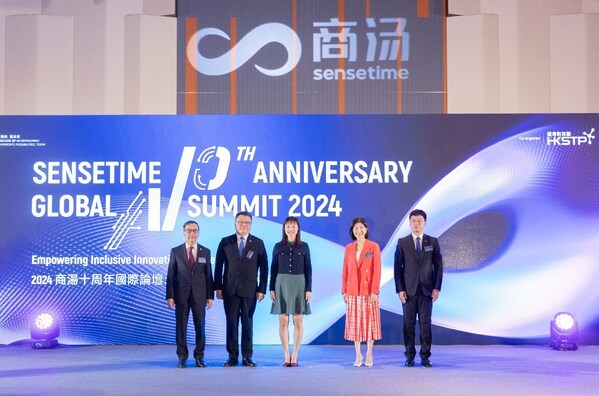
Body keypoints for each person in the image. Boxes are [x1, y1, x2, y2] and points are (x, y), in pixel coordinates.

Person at [214, 211, 268, 367]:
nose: (244, 225)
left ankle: (247, 356)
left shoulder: (258, 243)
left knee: (247, 323)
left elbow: (264, 268)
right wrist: (218, 287)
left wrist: (261, 289)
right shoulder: (225, 242)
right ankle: (232, 356)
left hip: (250, 290)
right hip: (229, 289)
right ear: (235, 223)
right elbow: (218, 266)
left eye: (247, 223)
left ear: (251, 225)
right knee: (231, 324)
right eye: (240, 222)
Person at [394, 209, 443, 368]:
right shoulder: (402, 242)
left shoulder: (433, 242)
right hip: (408, 291)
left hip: (427, 290)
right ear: (409, 223)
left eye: (419, 220)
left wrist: (437, 287)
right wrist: (400, 289)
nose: (416, 223)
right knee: (408, 326)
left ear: (425, 223)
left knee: (425, 325)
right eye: (414, 220)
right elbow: (397, 268)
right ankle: (409, 356)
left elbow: (439, 266)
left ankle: (425, 356)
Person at [166, 220, 214, 368]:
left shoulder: (205, 251)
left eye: (194, 230)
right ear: (183, 233)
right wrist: (170, 296)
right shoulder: (176, 251)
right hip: (181, 296)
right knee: (181, 327)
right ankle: (182, 356)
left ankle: (199, 356)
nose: (192, 233)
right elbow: (171, 275)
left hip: (200, 296)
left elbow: (208, 276)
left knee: (200, 327)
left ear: (198, 233)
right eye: (189, 230)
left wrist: (210, 296)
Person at [269, 216, 312, 367]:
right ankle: (286, 354)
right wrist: (272, 288)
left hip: (299, 284)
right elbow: (273, 269)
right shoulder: (278, 246)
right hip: (281, 284)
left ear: (298, 229)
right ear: (284, 229)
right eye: (288, 226)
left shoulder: (304, 246)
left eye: (294, 226)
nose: (291, 229)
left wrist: (308, 289)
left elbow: (308, 269)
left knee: (298, 320)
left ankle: (295, 354)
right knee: (283, 320)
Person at [341, 217, 382, 367]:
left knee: (370, 324)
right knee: (355, 324)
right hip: (352, 291)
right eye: (356, 228)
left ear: (366, 229)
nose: (358, 231)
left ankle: (369, 353)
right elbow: (345, 271)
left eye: (361, 228)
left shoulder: (373, 247)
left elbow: (377, 270)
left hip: (368, 291)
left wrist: (374, 291)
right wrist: (344, 290)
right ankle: (358, 355)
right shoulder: (348, 248)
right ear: (352, 231)